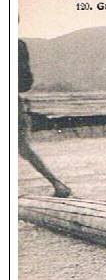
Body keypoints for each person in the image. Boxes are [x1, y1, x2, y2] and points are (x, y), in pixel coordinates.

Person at [18, 39, 71, 197]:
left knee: (23, 148)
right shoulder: (18, 45)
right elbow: (25, 83)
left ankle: (58, 184)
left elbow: (24, 83)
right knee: (24, 149)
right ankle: (57, 184)